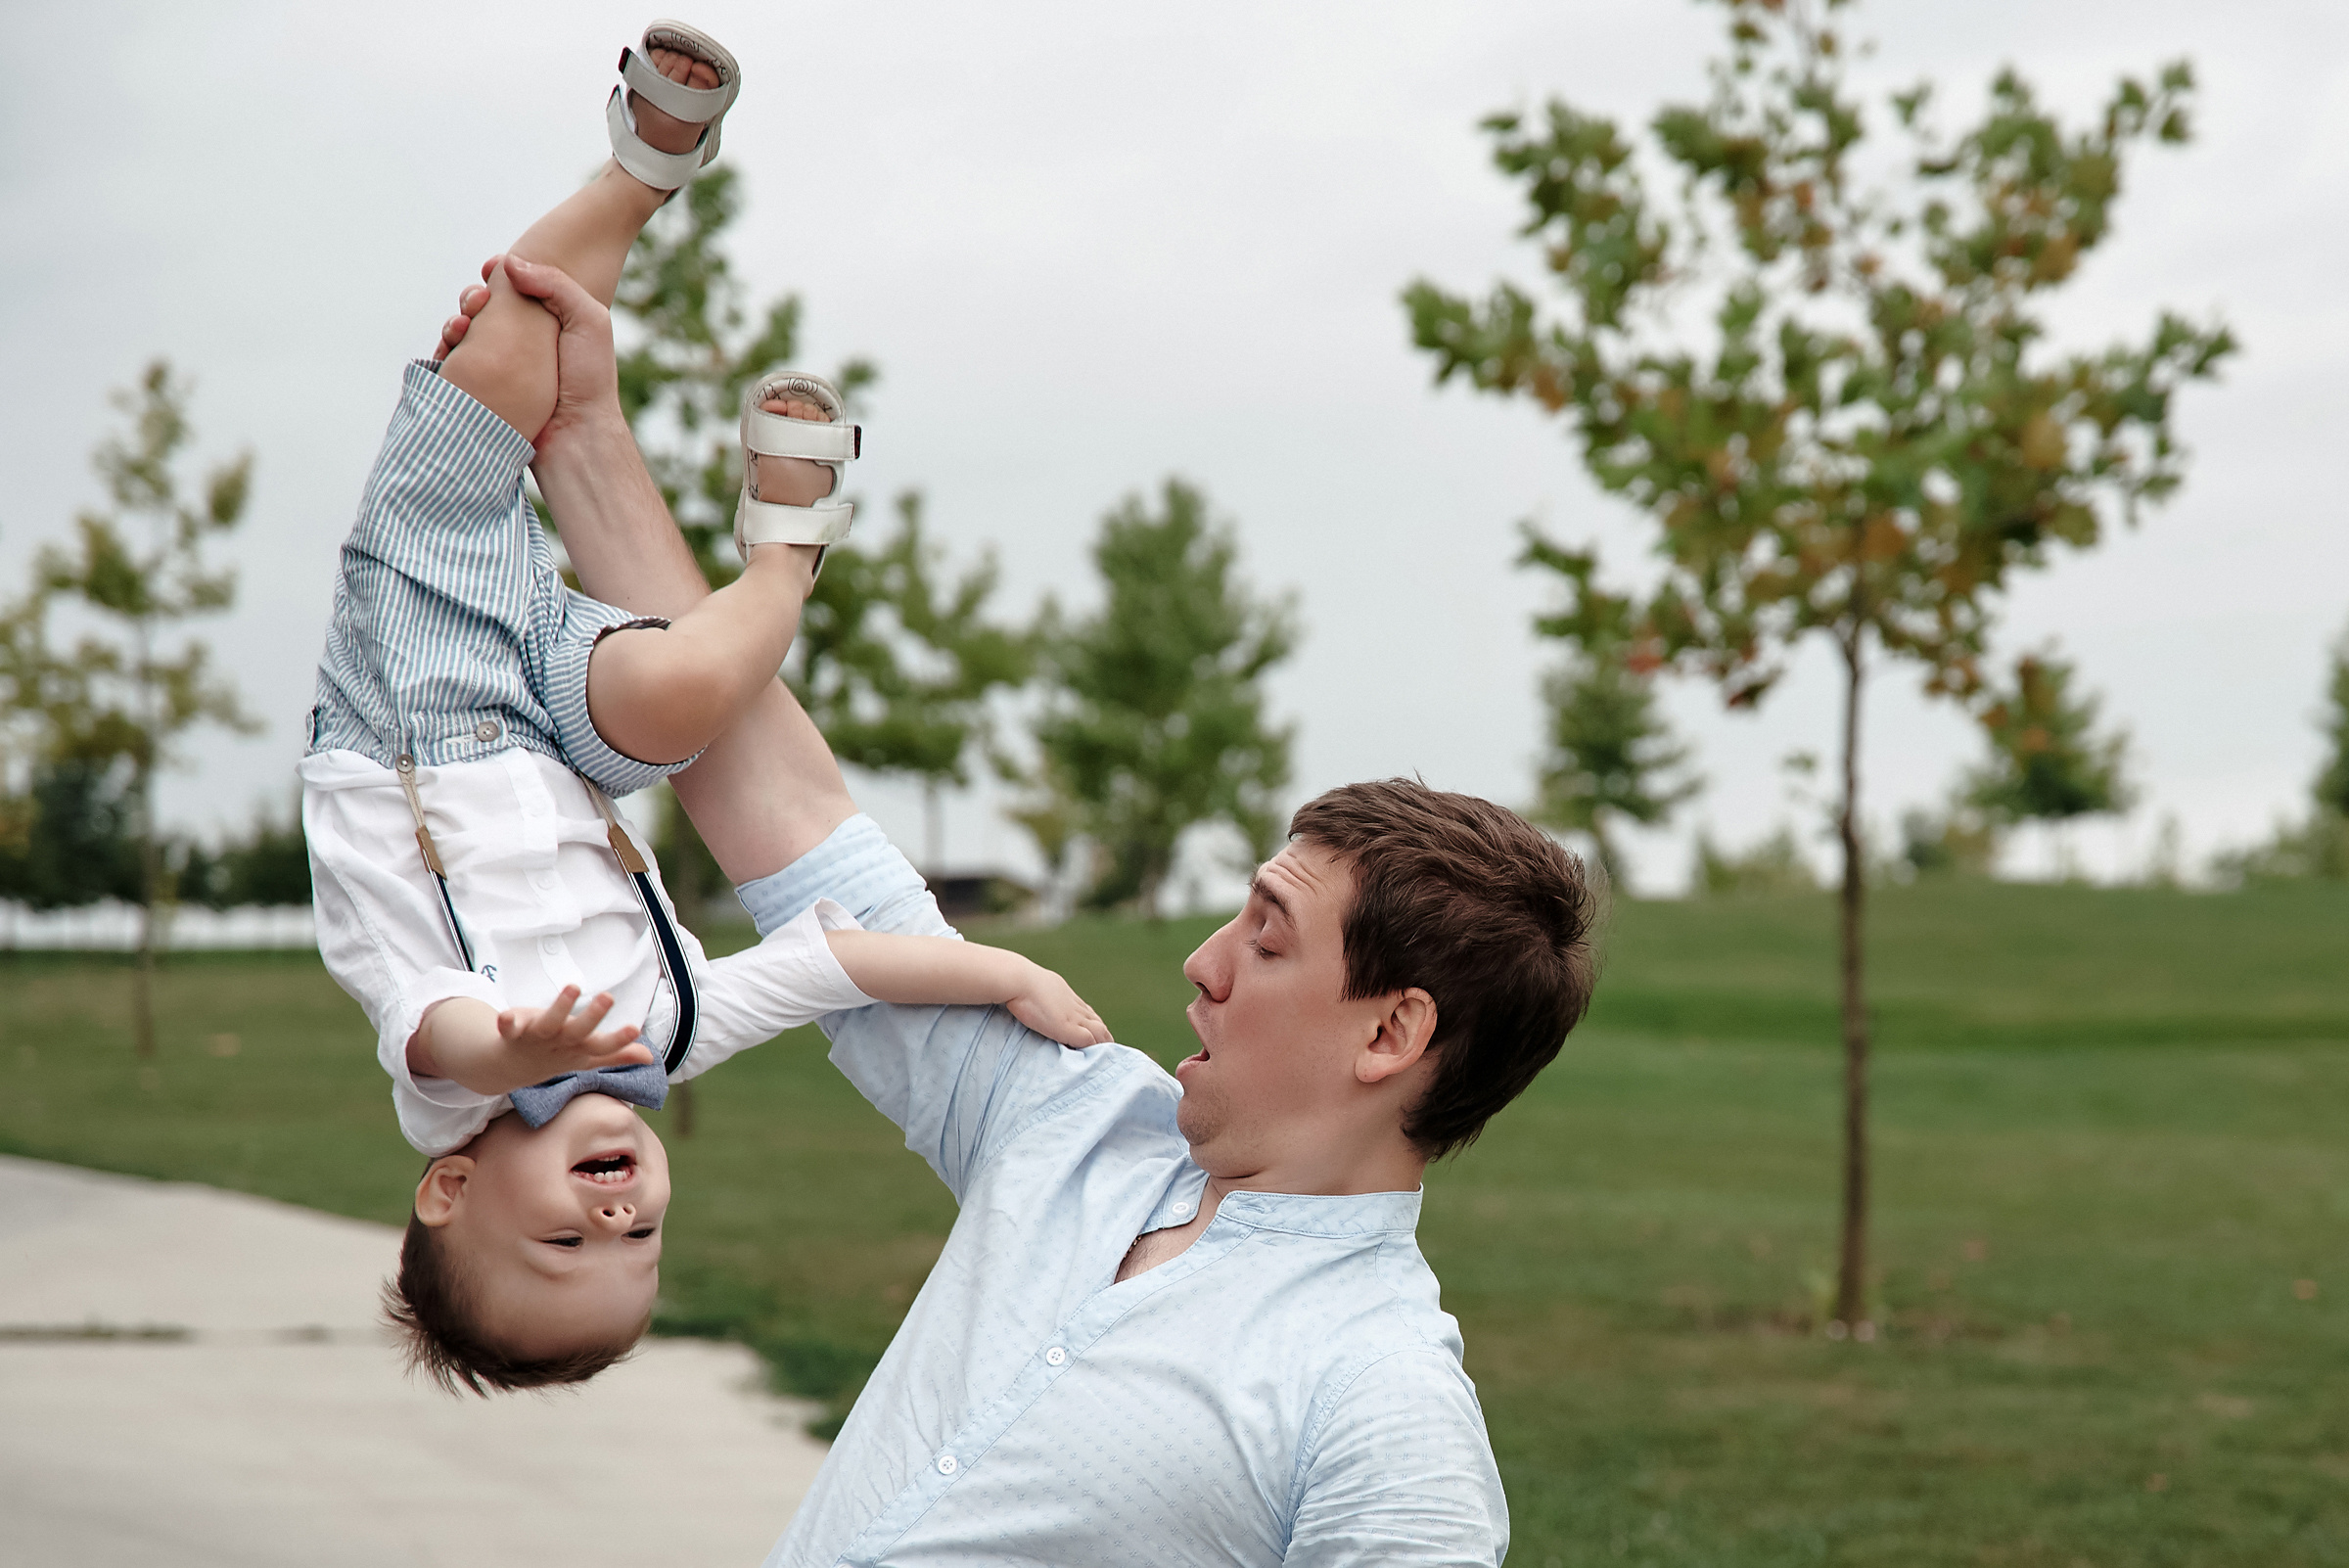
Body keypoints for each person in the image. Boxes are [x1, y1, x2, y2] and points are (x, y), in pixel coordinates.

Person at [442, 255, 1602, 1565]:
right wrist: (579, 432)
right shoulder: (1071, 1117)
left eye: (1268, 937)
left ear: (1391, 1033)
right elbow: (782, 806)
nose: (1205, 961)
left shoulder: (1378, 1402)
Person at [302, 21, 1108, 1398]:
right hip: (568, 728)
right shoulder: (664, 1031)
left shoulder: (454, 1085)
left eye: (566, 1234)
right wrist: (1009, 973)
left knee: (503, 359)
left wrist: (519, 1046)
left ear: (450, 1190)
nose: (617, 1210)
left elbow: (432, 1019)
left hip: (411, 707)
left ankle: (638, 172)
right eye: (644, 1237)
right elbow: (833, 963)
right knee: (681, 698)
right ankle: (784, 562)